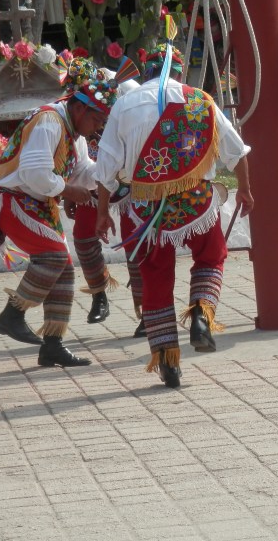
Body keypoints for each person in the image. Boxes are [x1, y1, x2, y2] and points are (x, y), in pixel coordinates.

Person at [94, 43, 253, 388]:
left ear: (147, 72)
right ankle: (201, 315)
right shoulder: (199, 100)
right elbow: (236, 150)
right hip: (194, 201)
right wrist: (245, 189)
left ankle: (167, 359)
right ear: (179, 73)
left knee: (155, 276)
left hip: (145, 207)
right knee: (211, 255)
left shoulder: (125, 104)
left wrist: (103, 212)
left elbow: (105, 168)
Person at [0, 58, 116, 367]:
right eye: (98, 119)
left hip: (36, 202)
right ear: (80, 109)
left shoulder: (73, 131)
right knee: (55, 258)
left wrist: (110, 173)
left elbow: (83, 171)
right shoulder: (49, 121)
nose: (99, 127)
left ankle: (52, 345)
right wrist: (69, 191)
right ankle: (13, 314)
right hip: (15, 199)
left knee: (64, 268)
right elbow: (35, 174)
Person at [64, 67, 145, 334]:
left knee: (136, 241)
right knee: (83, 236)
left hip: (131, 180)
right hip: (93, 176)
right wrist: (72, 187)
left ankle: (146, 310)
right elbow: (77, 148)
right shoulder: (75, 105)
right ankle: (99, 294)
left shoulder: (130, 95)